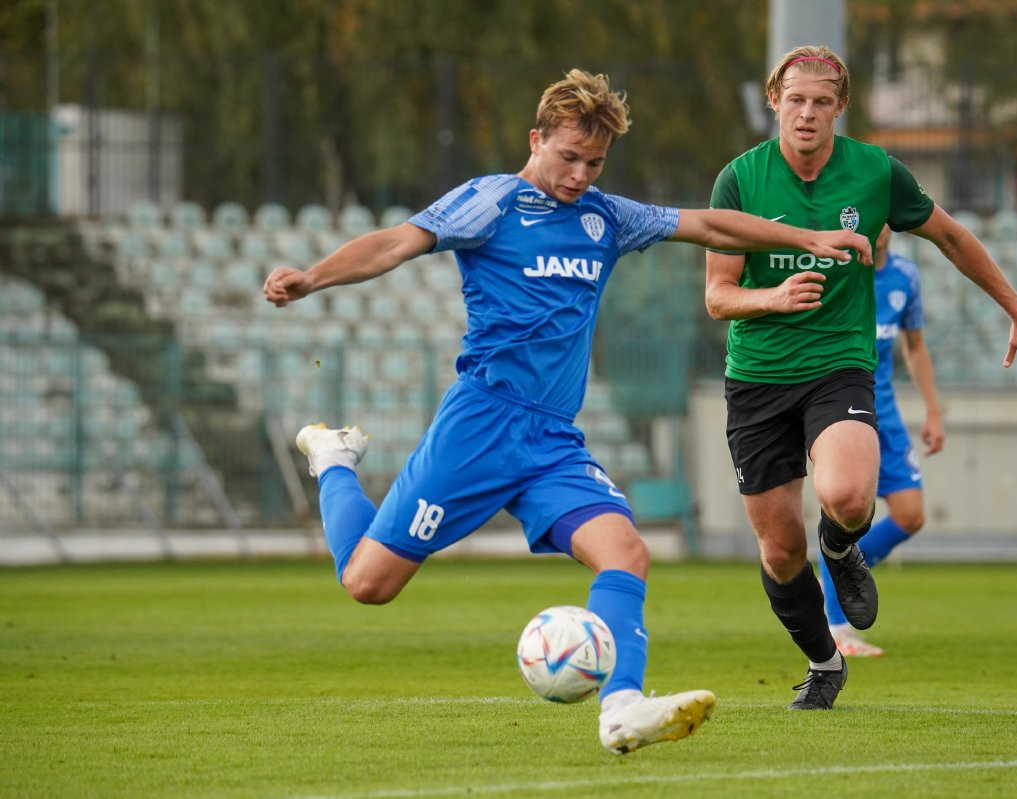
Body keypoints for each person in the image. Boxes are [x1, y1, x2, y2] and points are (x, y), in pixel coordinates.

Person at [262, 69, 872, 754]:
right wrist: (311, 277)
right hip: (481, 426)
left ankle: (622, 707)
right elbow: (395, 243)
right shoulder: (490, 202)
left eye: (595, 163)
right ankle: (334, 459)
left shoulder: (605, 218)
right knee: (368, 584)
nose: (581, 175)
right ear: (536, 140)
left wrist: (807, 238)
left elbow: (704, 224)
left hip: (552, 441)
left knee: (626, 552)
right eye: (569, 157)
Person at [704, 45, 1017, 711]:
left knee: (850, 497)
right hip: (757, 378)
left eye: (820, 102)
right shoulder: (739, 179)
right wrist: (773, 298)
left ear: (840, 107)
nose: (807, 113)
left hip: (840, 365)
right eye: (795, 99)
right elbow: (719, 296)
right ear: (775, 100)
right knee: (780, 552)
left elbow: (951, 237)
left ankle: (841, 547)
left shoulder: (876, 172)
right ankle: (824, 662)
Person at [818, 225, 944, 658]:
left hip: (883, 411)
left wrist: (932, 410)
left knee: (910, 514)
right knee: (843, 510)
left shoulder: (905, 276)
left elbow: (915, 347)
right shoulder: (836, 270)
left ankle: (839, 564)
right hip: (836, 407)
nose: (881, 225)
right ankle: (837, 628)